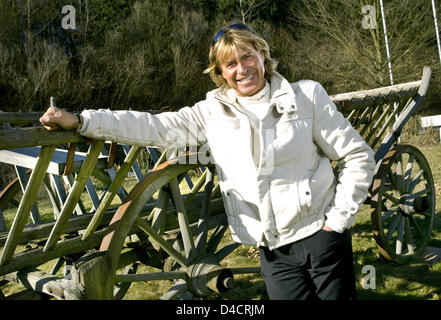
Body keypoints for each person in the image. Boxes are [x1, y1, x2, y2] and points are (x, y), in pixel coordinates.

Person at [40, 23, 375, 300]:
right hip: (272, 249)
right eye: (231, 64)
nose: (242, 69)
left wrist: (338, 221)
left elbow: (357, 156)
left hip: (321, 234)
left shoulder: (306, 96)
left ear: (263, 54)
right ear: (220, 72)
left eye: (247, 56)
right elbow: (152, 126)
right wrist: (82, 120)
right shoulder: (211, 113)